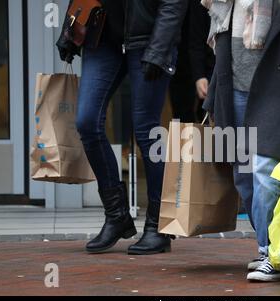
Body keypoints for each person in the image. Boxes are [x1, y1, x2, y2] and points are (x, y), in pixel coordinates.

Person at [202, 0, 280, 281]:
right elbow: (224, 45)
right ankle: (266, 249)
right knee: (244, 176)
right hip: (234, 89)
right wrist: (214, 96)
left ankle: (275, 254)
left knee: (266, 172)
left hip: (278, 92)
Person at [57, 0, 188, 255]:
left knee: (146, 129)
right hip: (103, 37)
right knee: (86, 121)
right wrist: (70, 29)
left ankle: (158, 228)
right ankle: (116, 215)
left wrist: (160, 49)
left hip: (148, 39)